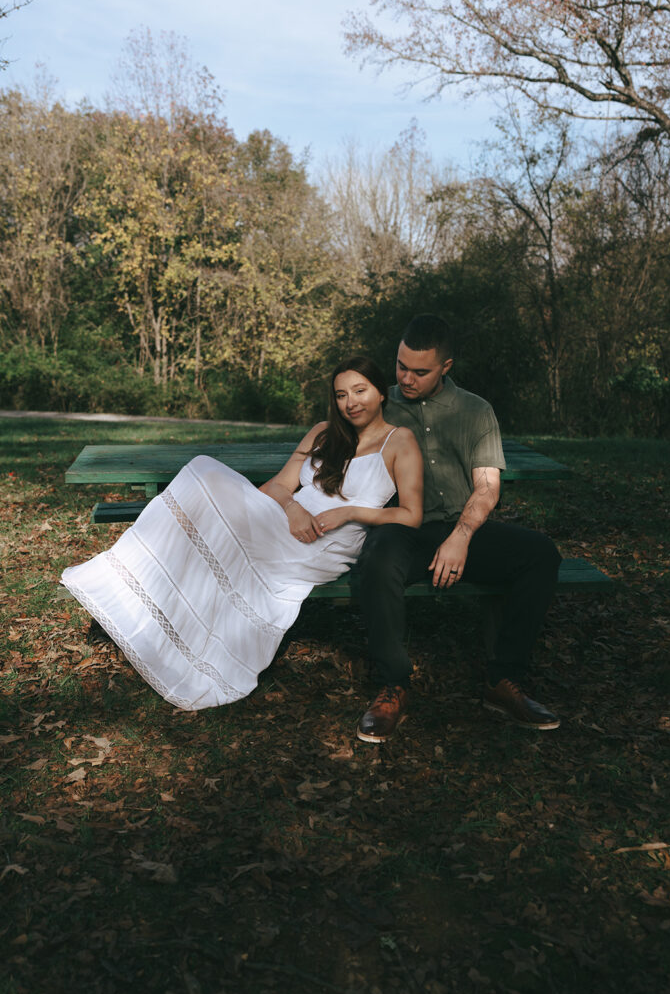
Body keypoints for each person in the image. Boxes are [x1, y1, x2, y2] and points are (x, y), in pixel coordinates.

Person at [61, 356, 423, 711]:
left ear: (381, 393)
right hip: (284, 520)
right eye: (341, 394)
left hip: (326, 542)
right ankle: (129, 593)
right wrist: (293, 508)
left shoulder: (399, 441)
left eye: (360, 391)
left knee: (205, 481)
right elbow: (277, 487)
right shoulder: (324, 433)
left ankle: (148, 605)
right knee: (203, 473)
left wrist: (349, 511)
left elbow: (411, 514)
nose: (350, 402)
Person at [354, 315, 562, 743]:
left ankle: (503, 680)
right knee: (376, 559)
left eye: (420, 370)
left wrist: (461, 538)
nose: (406, 378)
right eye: (400, 366)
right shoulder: (379, 406)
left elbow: (487, 487)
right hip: (402, 528)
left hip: (460, 528)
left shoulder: (476, 410)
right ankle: (394, 685)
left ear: (446, 367)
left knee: (540, 555)